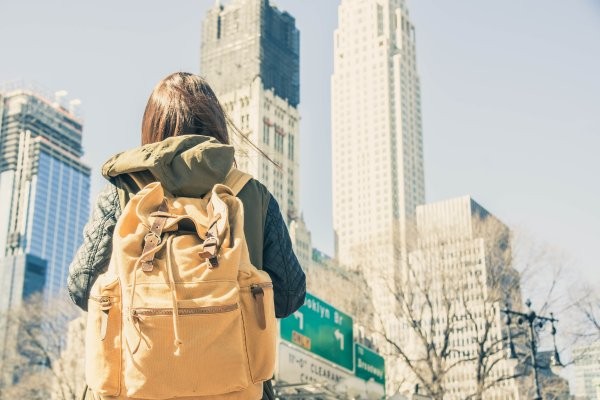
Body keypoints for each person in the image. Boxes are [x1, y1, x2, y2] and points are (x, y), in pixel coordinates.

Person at [67, 71, 306, 400]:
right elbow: (289, 295)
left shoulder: (123, 192)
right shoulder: (252, 196)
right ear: (217, 127)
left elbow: (82, 287)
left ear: (152, 128)